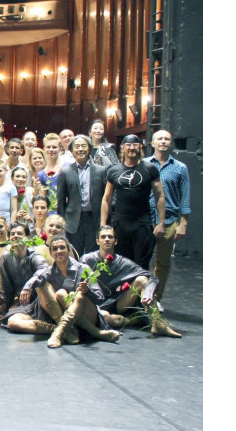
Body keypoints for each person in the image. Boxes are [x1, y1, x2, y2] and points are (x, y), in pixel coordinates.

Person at [82, 226, 181, 337]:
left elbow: (151, 277)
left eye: (110, 237)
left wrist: (148, 293)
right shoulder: (87, 260)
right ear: (97, 241)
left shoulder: (123, 263)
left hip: (114, 303)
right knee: (105, 317)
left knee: (142, 280)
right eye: (103, 237)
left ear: (116, 241)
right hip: (93, 304)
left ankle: (157, 323)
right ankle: (130, 320)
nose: (107, 239)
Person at [101, 134, 167, 270]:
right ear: (122, 148)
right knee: (121, 264)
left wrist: (161, 223)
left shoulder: (150, 168)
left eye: (135, 144)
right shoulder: (114, 170)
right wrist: (103, 224)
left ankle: (141, 285)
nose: (131, 148)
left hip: (142, 224)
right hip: (120, 224)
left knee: (141, 265)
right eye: (128, 145)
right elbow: (107, 198)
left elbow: (160, 196)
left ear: (140, 147)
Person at [145, 128, 191, 308]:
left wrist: (183, 223)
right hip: (145, 219)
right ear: (153, 143)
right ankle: (139, 296)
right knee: (141, 260)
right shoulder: (144, 164)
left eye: (167, 139)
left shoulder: (180, 168)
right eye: (160, 139)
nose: (163, 141)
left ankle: (155, 298)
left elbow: (185, 196)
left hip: (170, 221)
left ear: (170, 143)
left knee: (162, 263)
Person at [57, 135, 108, 255]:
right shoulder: (65, 172)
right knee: (75, 254)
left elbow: (107, 197)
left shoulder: (101, 171)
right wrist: (62, 222)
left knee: (93, 255)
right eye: (77, 146)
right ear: (72, 150)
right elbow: (60, 200)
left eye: (83, 146)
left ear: (89, 148)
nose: (80, 149)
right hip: (73, 221)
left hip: (94, 219)